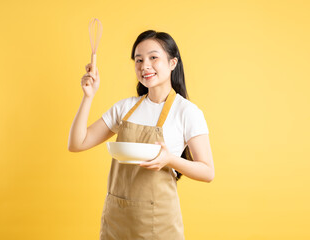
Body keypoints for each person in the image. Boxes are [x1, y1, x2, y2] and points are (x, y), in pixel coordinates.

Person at [68, 30, 215, 240]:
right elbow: (77, 143)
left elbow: (208, 172)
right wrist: (88, 97)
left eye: (153, 57)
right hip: (117, 220)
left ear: (173, 63)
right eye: (139, 60)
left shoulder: (187, 112)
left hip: (159, 224)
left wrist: (170, 160)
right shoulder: (125, 108)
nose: (144, 66)